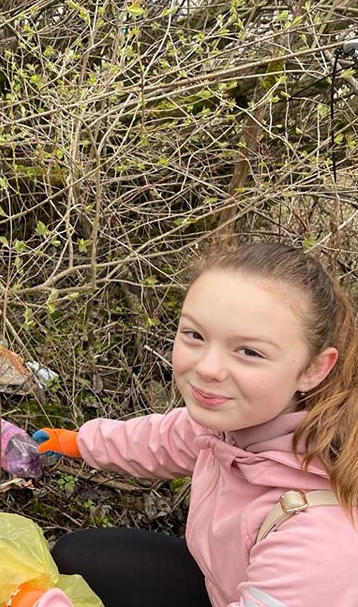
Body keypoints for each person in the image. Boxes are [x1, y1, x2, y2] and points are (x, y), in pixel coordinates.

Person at [26, 241, 358, 607]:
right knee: (80, 554)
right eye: (195, 335)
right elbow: (163, 438)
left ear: (314, 369)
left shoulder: (319, 538)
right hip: (222, 584)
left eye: (249, 351)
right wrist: (78, 442)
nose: (207, 369)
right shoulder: (231, 426)